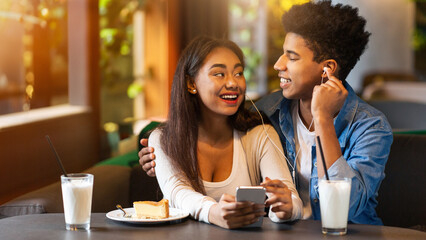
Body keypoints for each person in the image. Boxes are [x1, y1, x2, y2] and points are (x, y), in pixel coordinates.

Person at [140, 1, 393, 225]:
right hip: (285, 232)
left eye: (291, 57)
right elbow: (218, 121)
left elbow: (343, 207)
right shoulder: (267, 111)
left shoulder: (371, 127)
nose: (278, 64)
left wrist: (323, 119)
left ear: (327, 69)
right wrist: (164, 155)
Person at [147, 36, 303, 229]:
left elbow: (292, 200)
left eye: (238, 73)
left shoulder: (259, 134)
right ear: (191, 83)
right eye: (219, 74)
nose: (233, 83)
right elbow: (178, 193)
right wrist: (214, 213)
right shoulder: (163, 139)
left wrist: (286, 208)